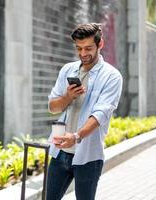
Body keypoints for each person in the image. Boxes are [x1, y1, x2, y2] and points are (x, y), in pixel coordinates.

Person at [46, 23, 123, 200]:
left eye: (88, 48)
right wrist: (67, 97)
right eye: (79, 48)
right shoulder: (68, 69)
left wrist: (76, 136)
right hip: (60, 152)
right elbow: (52, 107)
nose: (83, 54)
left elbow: (99, 116)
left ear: (100, 44)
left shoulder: (111, 76)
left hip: (89, 156)